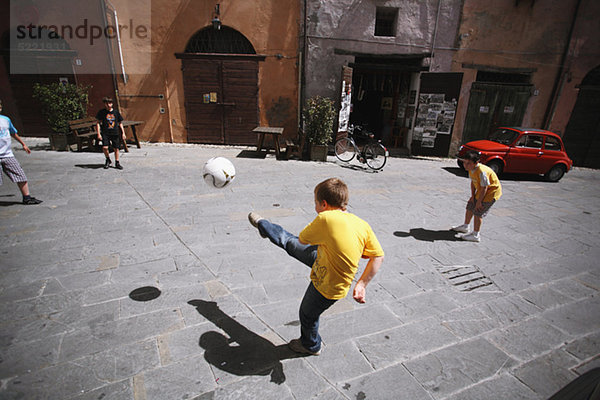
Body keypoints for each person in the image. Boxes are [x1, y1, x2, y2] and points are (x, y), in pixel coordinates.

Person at [248, 177, 384, 356]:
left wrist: (323, 232)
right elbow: (378, 256)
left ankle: (311, 345)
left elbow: (303, 239)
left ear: (324, 204)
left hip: (328, 283)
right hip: (323, 258)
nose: (315, 208)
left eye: (316, 204)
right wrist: (361, 284)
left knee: (307, 314)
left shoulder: (325, 218)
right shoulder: (362, 224)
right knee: (290, 243)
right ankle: (264, 225)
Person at [452, 150, 502, 242]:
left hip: (490, 193)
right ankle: (465, 226)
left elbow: (485, 188)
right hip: (481, 190)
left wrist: (479, 202)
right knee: (470, 205)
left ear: (476, 163)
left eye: (468, 163)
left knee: (478, 212)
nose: (465, 165)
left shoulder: (482, 172)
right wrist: (473, 196)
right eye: (464, 162)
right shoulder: (471, 169)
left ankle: (476, 235)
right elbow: (473, 182)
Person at [0, 99, 42, 205]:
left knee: (20, 175)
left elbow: (13, 133)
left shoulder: (5, 120)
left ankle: (26, 197)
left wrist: (23, 144)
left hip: (7, 154)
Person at [95, 97, 126, 170]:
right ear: (105, 104)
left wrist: (123, 133)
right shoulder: (102, 112)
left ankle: (117, 162)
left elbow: (120, 123)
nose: (109, 105)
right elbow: (98, 123)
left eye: (110, 103)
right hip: (105, 133)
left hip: (115, 132)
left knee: (116, 148)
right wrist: (98, 133)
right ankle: (108, 159)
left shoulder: (116, 112)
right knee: (105, 147)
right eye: (107, 103)